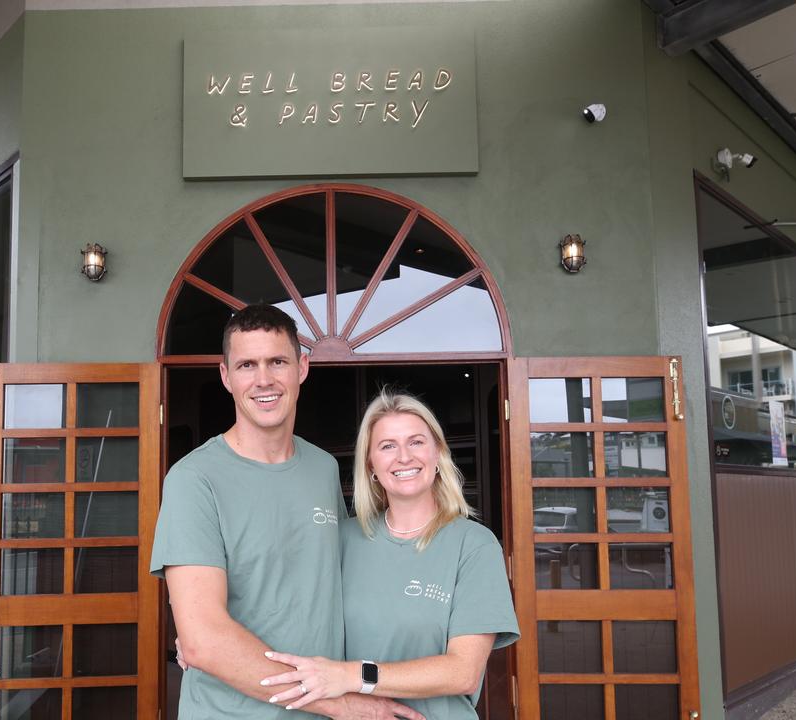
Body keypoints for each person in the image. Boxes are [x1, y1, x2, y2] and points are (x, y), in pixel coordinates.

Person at [149, 304, 424, 720]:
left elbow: (338, 583)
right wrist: (341, 704)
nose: (263, 380)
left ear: (302, 367)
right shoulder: (194, 480)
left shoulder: (322, 468)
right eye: (246, 365)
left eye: (277, 361)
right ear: (226, 377)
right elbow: (204, 637)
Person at [258, 391, 519, 719]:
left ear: (438, 453)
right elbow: (277, 604)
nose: (404, 457)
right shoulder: (340, 539)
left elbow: (463, 672)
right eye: (387, 446)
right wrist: (197, 628)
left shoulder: (475, 546)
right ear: (371, 465)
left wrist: (352, 676)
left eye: (416, 442)